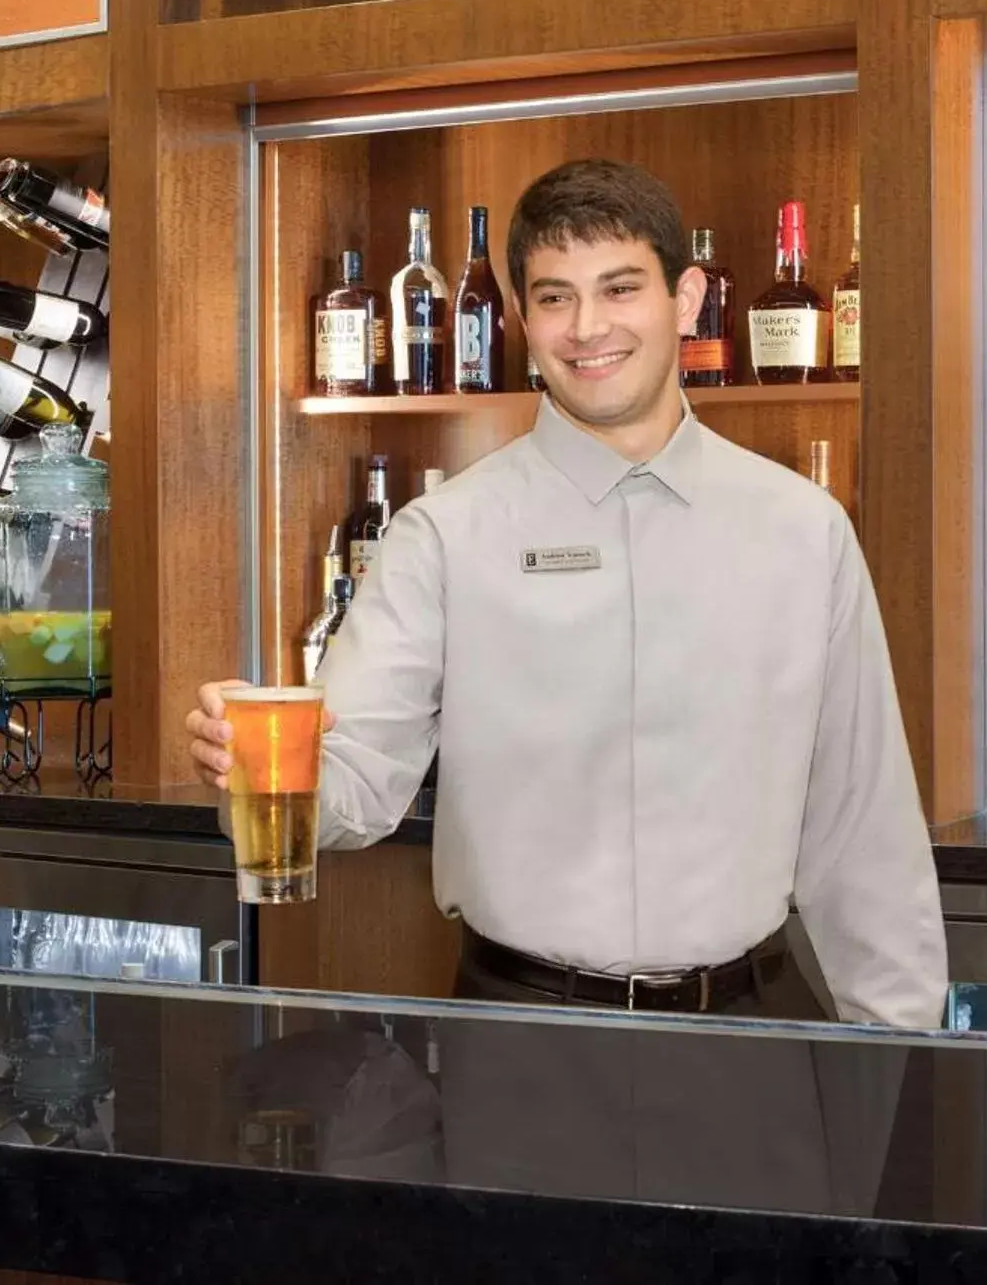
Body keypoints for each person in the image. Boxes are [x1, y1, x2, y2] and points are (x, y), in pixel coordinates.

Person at [186, 159, 946, 1028]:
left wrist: (907, 1057)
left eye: (620, 288)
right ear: (520, 316)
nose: (588, 327)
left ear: (686, 298)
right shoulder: (443, 534)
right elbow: (356, 783)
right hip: (516, 1036)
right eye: (554, 297)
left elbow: (864, 828)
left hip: (751, 1039)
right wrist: (243, 757)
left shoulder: (805, 533)